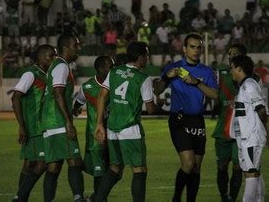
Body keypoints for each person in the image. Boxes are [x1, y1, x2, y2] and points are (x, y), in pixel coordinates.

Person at [153, 33, 218, 202]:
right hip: (179, 119)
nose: (196, 50)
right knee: (188, 163)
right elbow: (157, 90)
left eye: (198, 47)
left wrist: (197, 82)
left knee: (196, 168)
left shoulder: (206, 71)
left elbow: (216, 95)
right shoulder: (174, 68)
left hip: (197, 120)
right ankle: (176, 198)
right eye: (192, 47)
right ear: (184, 49)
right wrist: (167, 76)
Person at [95, 42, 158, 202]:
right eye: (147, 55)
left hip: (112, 128)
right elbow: (151, 109)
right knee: (139, 169)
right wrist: (158, 101)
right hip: (130, 128)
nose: (148, 59)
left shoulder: (114, 72)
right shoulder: (143, 78)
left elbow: (102, 96)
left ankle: (97, 199)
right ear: (141, 57)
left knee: (115, 168)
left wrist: (99, 124)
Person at [41, 34, 84, 202]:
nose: (78, 49)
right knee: (74, 161)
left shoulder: (56, 66)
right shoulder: (61, 66)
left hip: (50, 121)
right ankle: (78, 197)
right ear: (66, 48)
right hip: (59, 122)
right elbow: (58, 93)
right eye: (76, 45)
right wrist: (68, 121)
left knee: (54, 165)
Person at [11, 44, 56, 201]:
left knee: (29, 163)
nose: (54, 59)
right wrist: (22, 126)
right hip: (34, 127)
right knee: (41, 163)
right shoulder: (31, 74)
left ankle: (21, 197)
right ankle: (20, 197)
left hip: (42, 126)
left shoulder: (47, 74)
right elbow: (15, 96)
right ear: (42, 56)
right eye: (51, 56)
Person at [229, 55, 269, 202]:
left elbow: (261, 110)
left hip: (251, 138)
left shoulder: (249, 86)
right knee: (255, 173)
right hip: (248, 138)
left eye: (232, 68)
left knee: (250, 174)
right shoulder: (246, 85)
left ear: (239, 69)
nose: (231, 71)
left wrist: (264, 133)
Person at [73, 56, 114, 201]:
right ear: (101, 69)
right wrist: (75, 109)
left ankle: (94, 198)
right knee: (100, 173)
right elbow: (78, 102)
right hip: (96, 136)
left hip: (115, 135)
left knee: (115, 171)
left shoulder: (116, 84)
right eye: (111, 66)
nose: (113, 69)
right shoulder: (88, 87)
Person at [211, 43, 248, 202]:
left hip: (241, 130)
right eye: (229, 53)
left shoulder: (250, 78)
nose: (230, 56)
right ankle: (224, 196)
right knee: (221, 167)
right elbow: (216, 97)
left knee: (237, 167)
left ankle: (232, 197)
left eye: (234, 53)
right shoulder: (221, 74)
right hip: (223, 129)